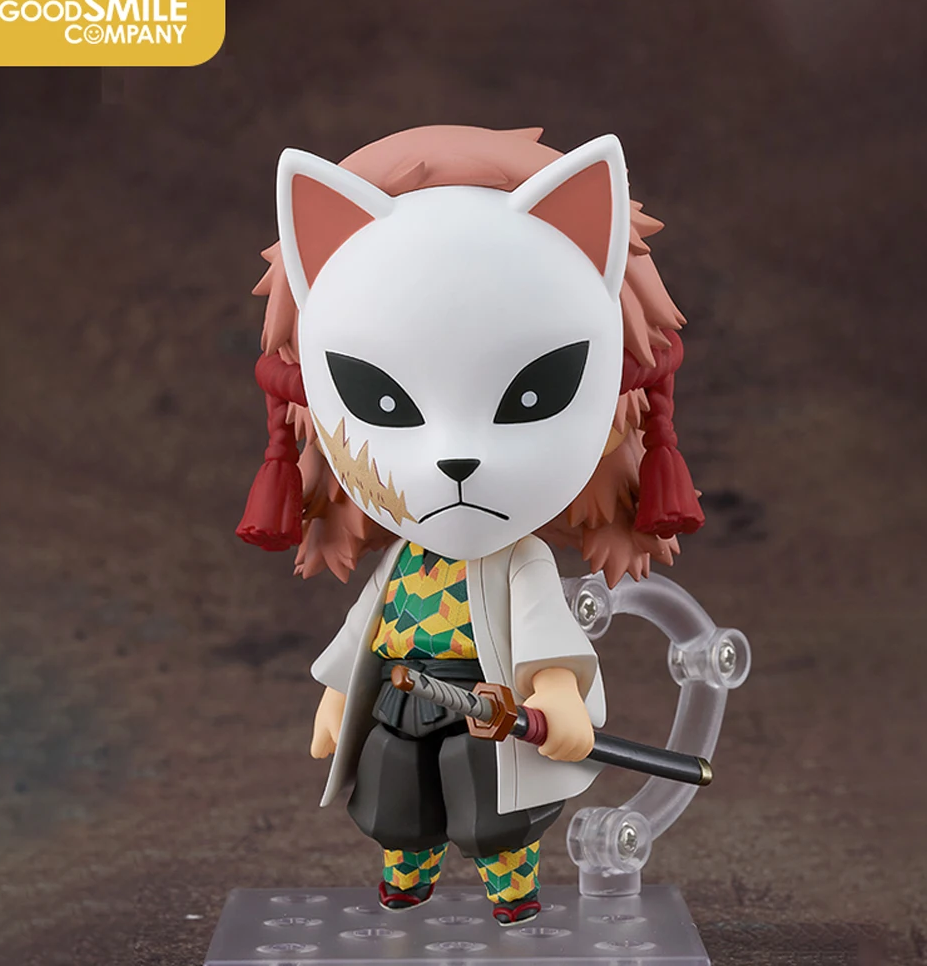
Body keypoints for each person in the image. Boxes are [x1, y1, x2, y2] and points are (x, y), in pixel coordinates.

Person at [236, 125, 703, 926]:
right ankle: (405, 878)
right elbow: (366, 629)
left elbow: (544, 635)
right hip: (401, 699)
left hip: (490, 707)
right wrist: (339, 692)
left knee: (492, 813)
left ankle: (510, 891)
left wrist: (556, 692)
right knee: (395, 799)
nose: (454, 457)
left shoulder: (515, 563)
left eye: (534, 395)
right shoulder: (404, 562)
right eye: (382, 401)